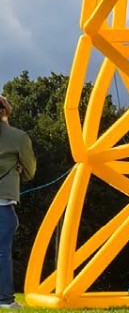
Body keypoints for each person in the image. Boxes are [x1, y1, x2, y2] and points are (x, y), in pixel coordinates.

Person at [0, 95, 35, 310]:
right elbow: (30, 172)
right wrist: (18, 169)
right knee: (2, 252)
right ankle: (4, 300)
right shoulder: (18, 137)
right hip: (3, 206)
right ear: (5, 111)